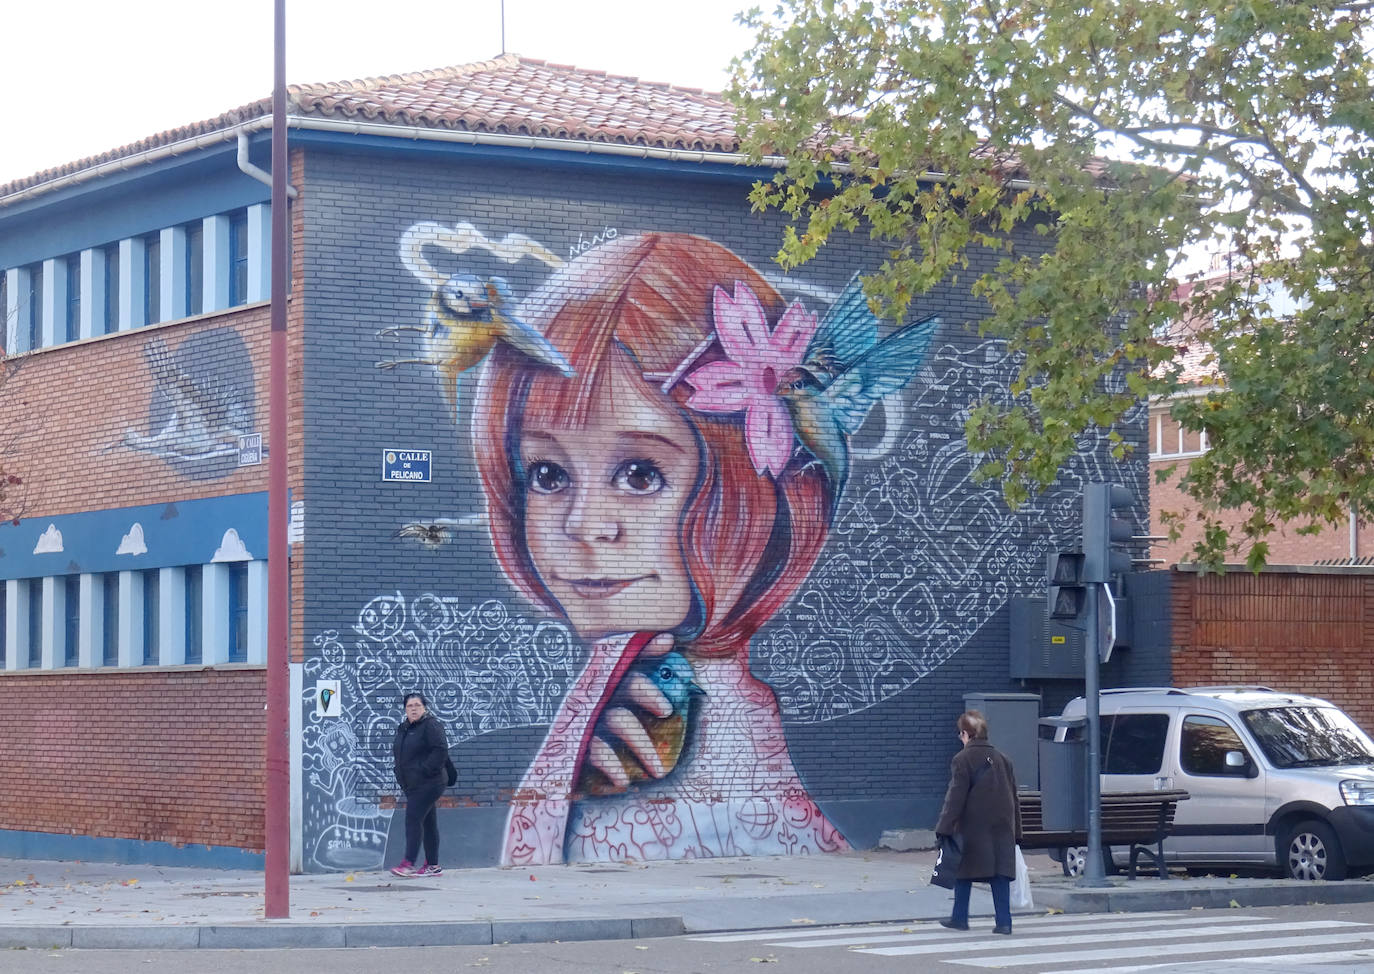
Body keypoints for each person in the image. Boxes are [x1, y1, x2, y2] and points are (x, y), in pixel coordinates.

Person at [471, 232, 883, 864]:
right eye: (548, 474)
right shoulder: (619, 693)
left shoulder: (719, 753)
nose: (586, 525)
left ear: (747, 492)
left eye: (640, 475)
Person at [934, 709, 1021, 935]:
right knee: (999, 875)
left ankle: (959, 918)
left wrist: (944, 827)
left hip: (972, 829)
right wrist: (1017, 832)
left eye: (960, 734)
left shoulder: (962, 759)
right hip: (1002, 828)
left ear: (965, 734)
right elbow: (1014, 796)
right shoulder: (1004, 759)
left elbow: (955, 796)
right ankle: (1004, 923)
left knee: (963, 871)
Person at [390, 692, 450, 877]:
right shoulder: (404, 728)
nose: (413, 709)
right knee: (428, 822)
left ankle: (408, 863)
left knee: (413, 818)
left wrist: (424, 770)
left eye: (417, 705)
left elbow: (440, 749)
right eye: (410, 706)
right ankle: (433, 865)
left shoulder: (431, 725)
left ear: (424, 707)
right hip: (413, 784)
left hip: (429, 782)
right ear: (405, 709)